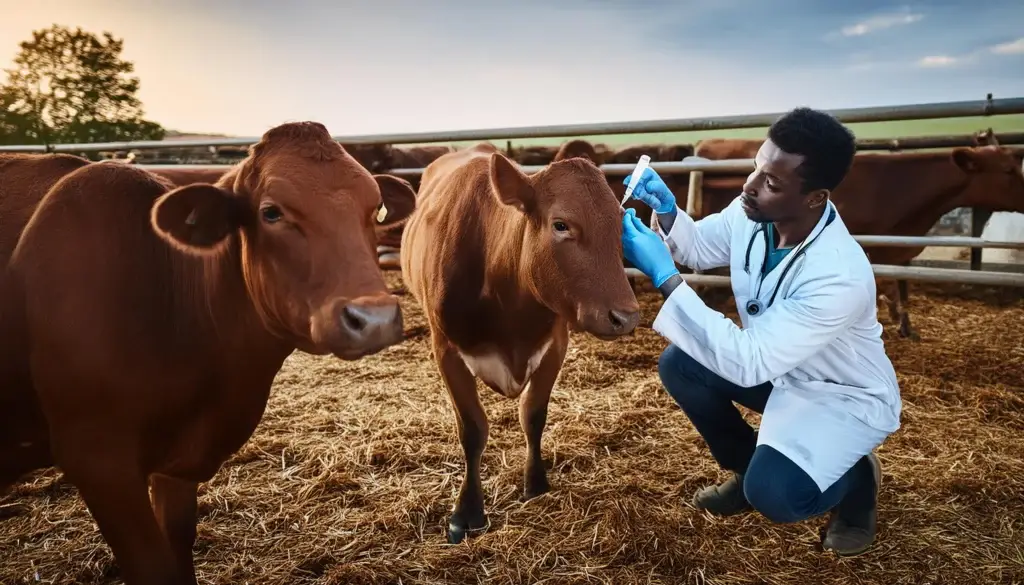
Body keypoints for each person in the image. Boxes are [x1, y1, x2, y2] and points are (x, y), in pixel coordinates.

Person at [619, 107, 901, 556]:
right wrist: (668, 211)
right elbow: (699, 246)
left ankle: (855, 481)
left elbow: (748, 362)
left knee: (777, 496)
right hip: (780, 370)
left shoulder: (838, 275)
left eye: (772, 182)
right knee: (681, 364)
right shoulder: (753, 212)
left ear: (815, 197)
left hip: (839, 394)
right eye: (757, 167)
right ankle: (745, 467)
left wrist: (663, 275)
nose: (750, 186)